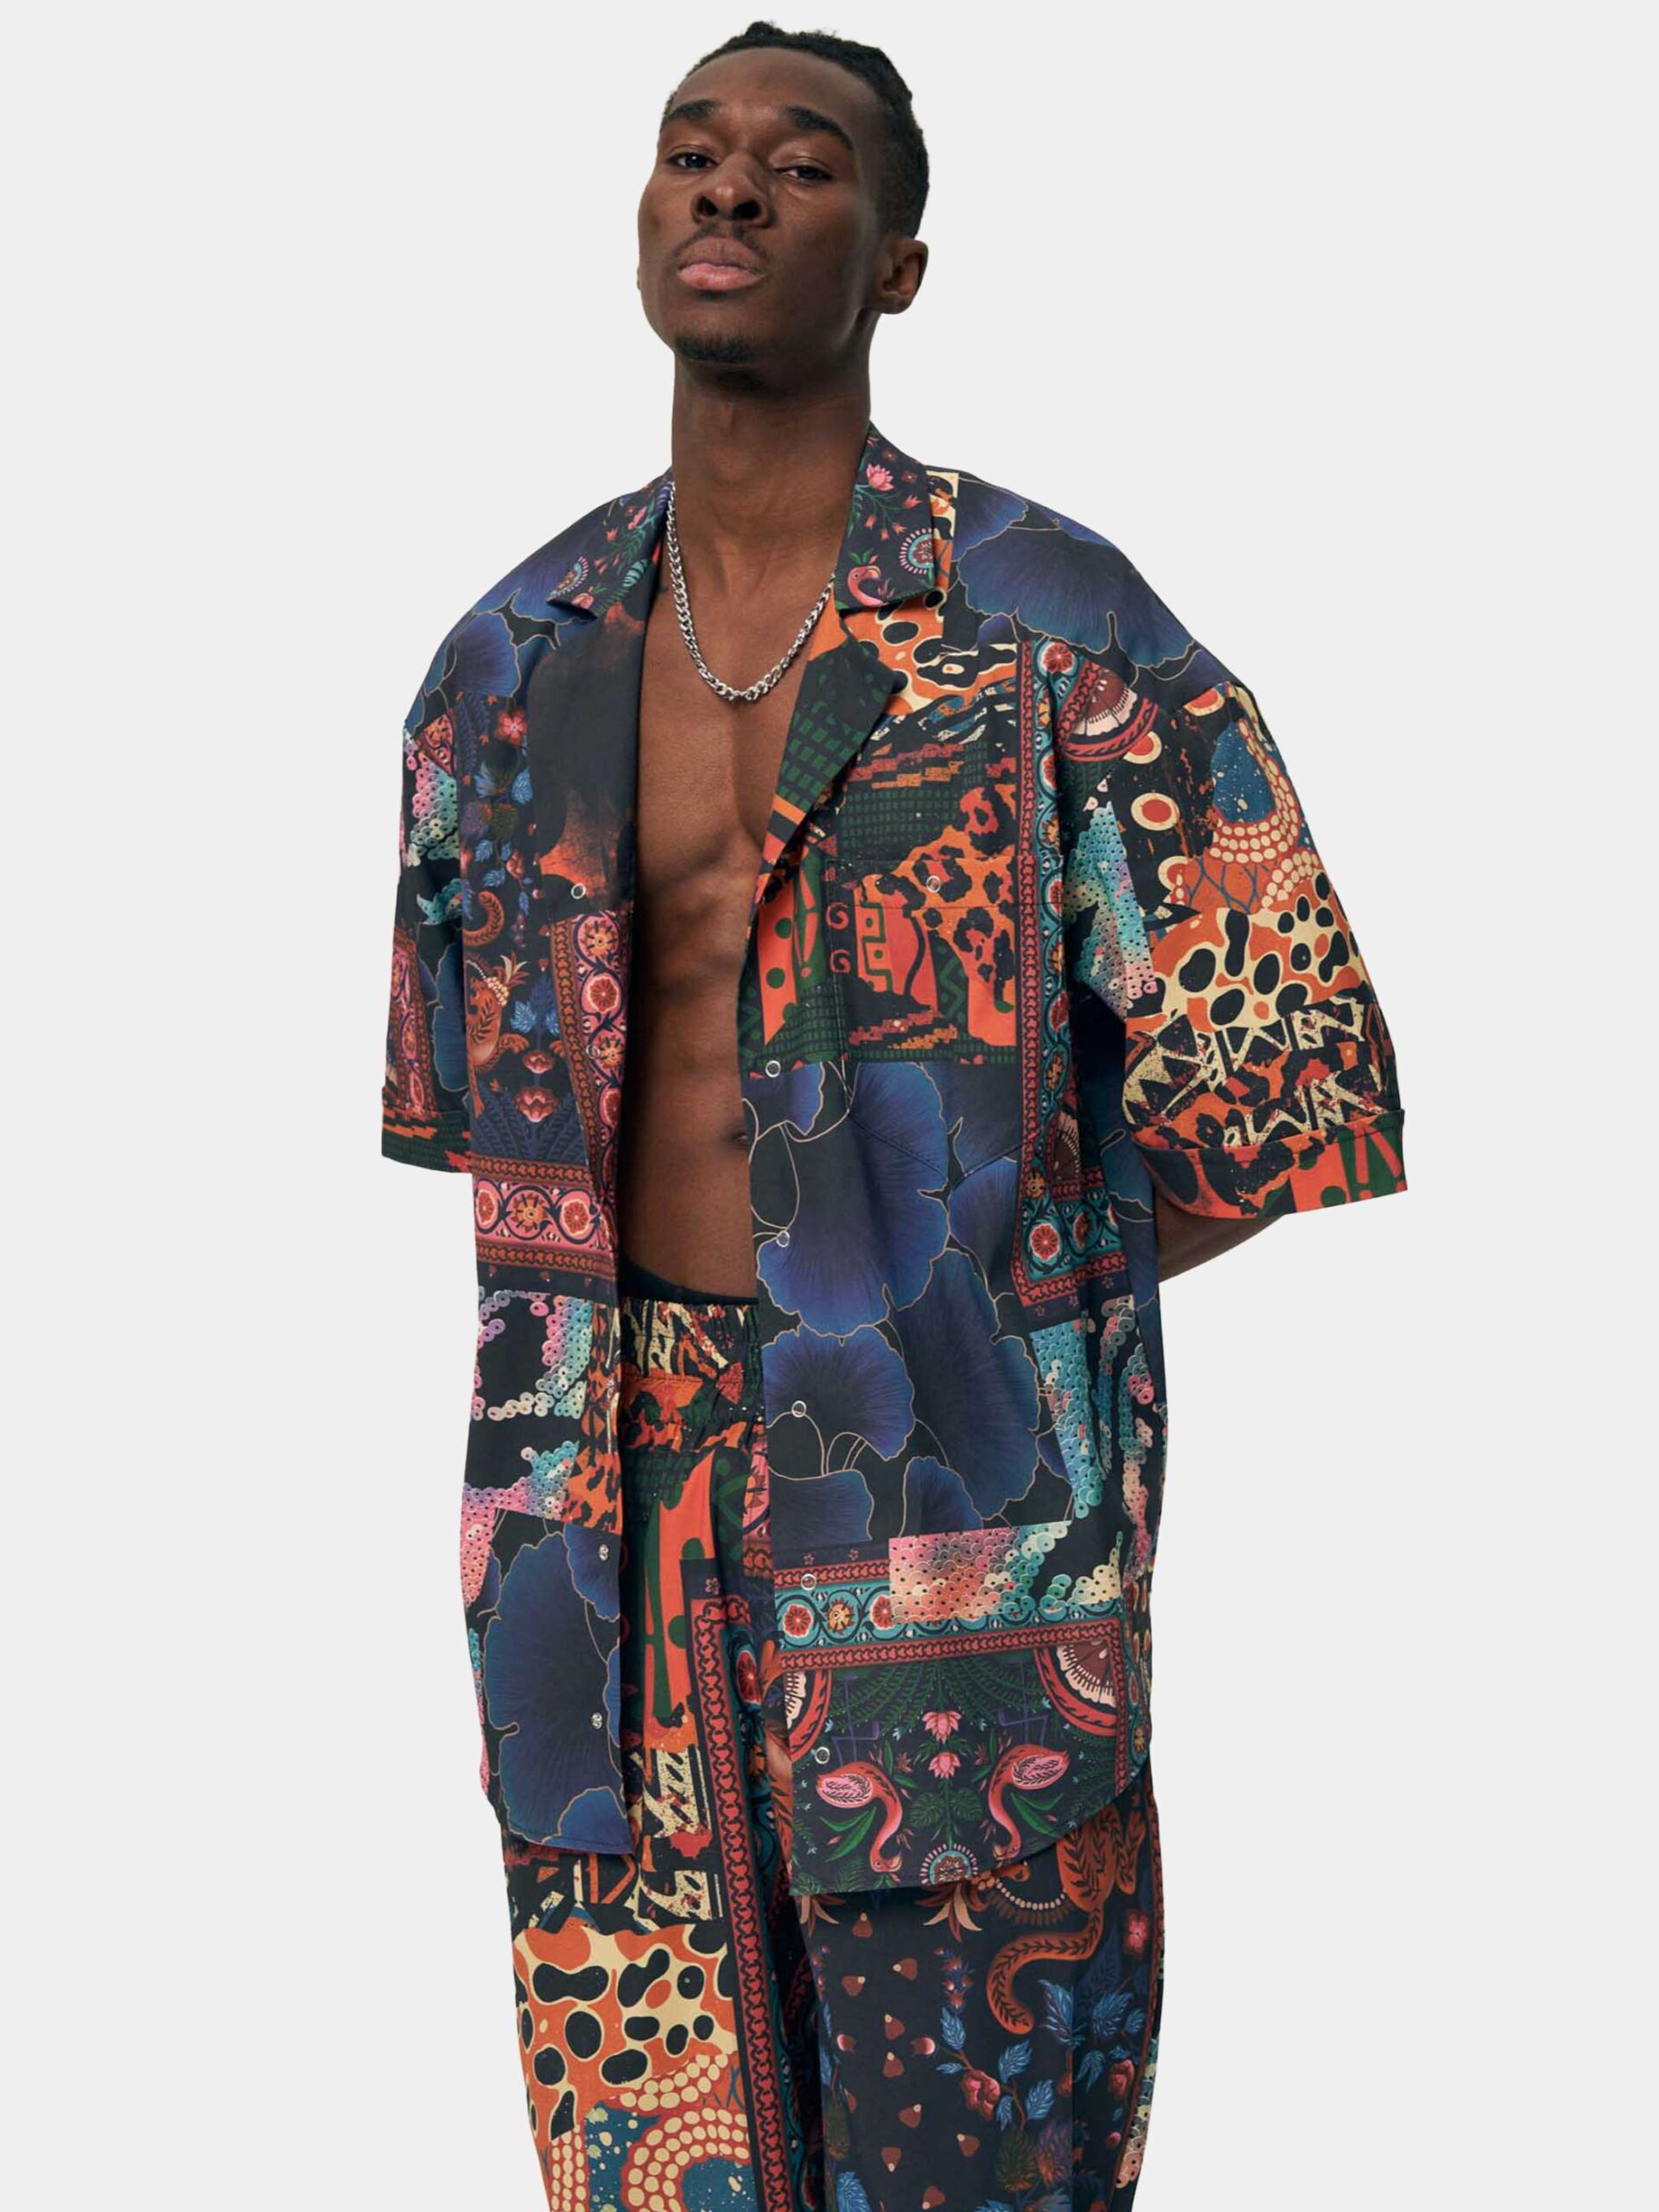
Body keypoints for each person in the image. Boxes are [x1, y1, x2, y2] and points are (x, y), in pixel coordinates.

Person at [379, 22, 1408, 2209]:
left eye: (805, 161)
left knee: (988, 2159)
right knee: (648, 2159)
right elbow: (476, 1117)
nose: (731, 186)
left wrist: (979, 1303)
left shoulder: (1054, 625)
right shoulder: (507, 659)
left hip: (953, 1528)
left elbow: (1289, 1070)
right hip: (598, 1539)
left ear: (902, 262)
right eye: (691, 149)